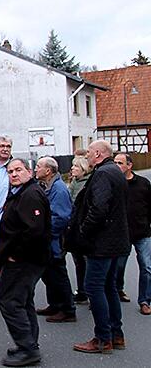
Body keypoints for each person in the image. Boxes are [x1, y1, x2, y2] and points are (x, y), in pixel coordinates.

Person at [72, 140, 131, 354]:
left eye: (88, 152)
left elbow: (98, 208)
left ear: (97, 153)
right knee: (109, 288)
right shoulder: (115, 171)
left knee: (94, 287)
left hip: (102, 243)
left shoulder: (103, 174)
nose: (86, 156)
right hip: (116, 241)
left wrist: (83, 231)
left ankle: (102, 338)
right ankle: (116, 335)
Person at [0, 158, 50, 367]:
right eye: (10, 172)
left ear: (29, 171)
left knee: (9, 301)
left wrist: (15, 255)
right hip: (24, 260)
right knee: (23, 301)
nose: (14, 174)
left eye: (18, 170)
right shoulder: (21, 192)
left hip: (24, 261)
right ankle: (29, 343)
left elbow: (34, 231)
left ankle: (27, 348)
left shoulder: (30, 194)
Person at [34, 157, 76, 322]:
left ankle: (67, 309)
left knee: (58, 274)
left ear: (48, 171)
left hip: (54, 241)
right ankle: (55, 304)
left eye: (38, 166)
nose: (35, 169)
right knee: (49, 274)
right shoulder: (48, 186)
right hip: (49, 240)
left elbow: (61, 217)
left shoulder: (58, 189)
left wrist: (46, 233)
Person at [113, 153, 151, 315]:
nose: (116, 166)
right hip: (122, 233)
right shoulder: (114, 184)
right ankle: (118, 289)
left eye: (120, 163)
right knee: (119, 265)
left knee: (147, 266)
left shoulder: (143, 183)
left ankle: (145, 300)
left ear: (129, 165)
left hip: (142, 231)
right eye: (115, 162)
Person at [68, 156, 91, 304]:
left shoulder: (87, 183)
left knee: (87, 262)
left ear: (83, 168)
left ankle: (90, 293)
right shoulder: (74, 182)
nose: (72, 169)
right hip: (74, 227)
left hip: (83, 227)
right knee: (78, 262)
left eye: (75, 166)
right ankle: (82, 291)